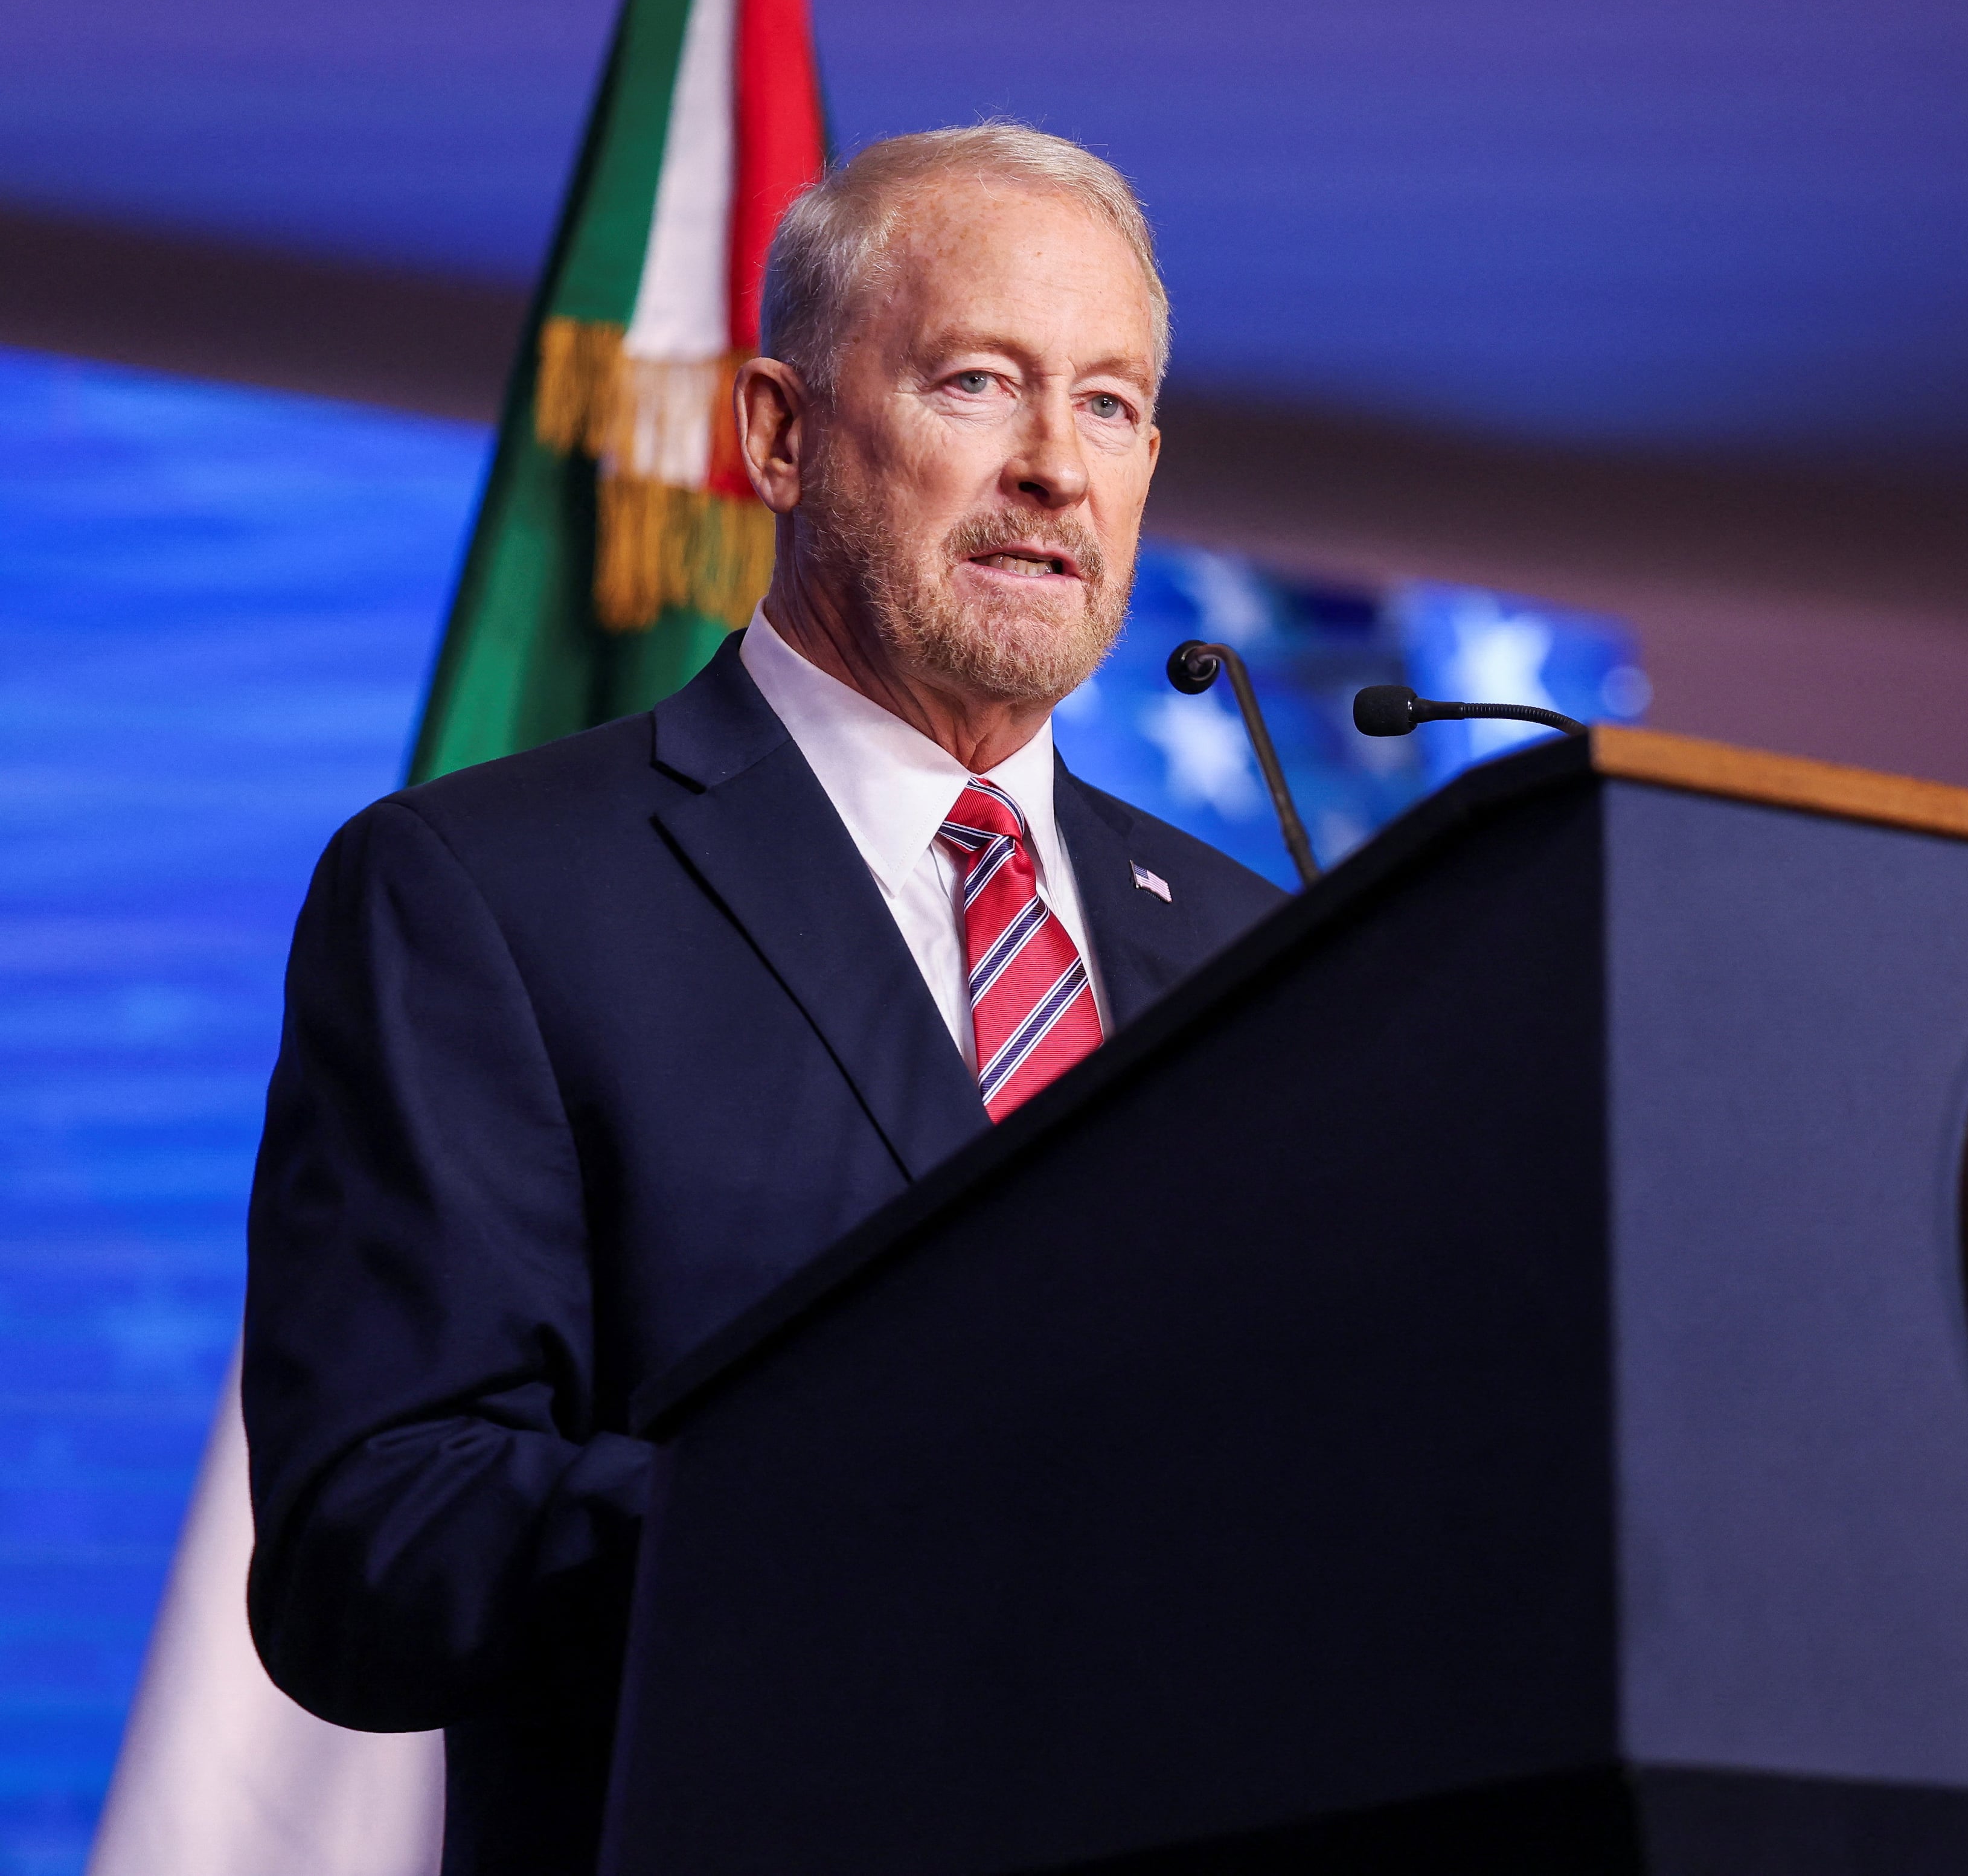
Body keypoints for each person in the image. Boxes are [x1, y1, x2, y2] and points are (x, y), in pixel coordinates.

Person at [242, 124, 1286, 1874]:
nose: (1055, 469)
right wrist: (876, 1503)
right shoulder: (488, 890)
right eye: (980, 383)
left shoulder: (1261, 948)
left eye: (1109, 407)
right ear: (780, 434)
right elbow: (375, 1533)